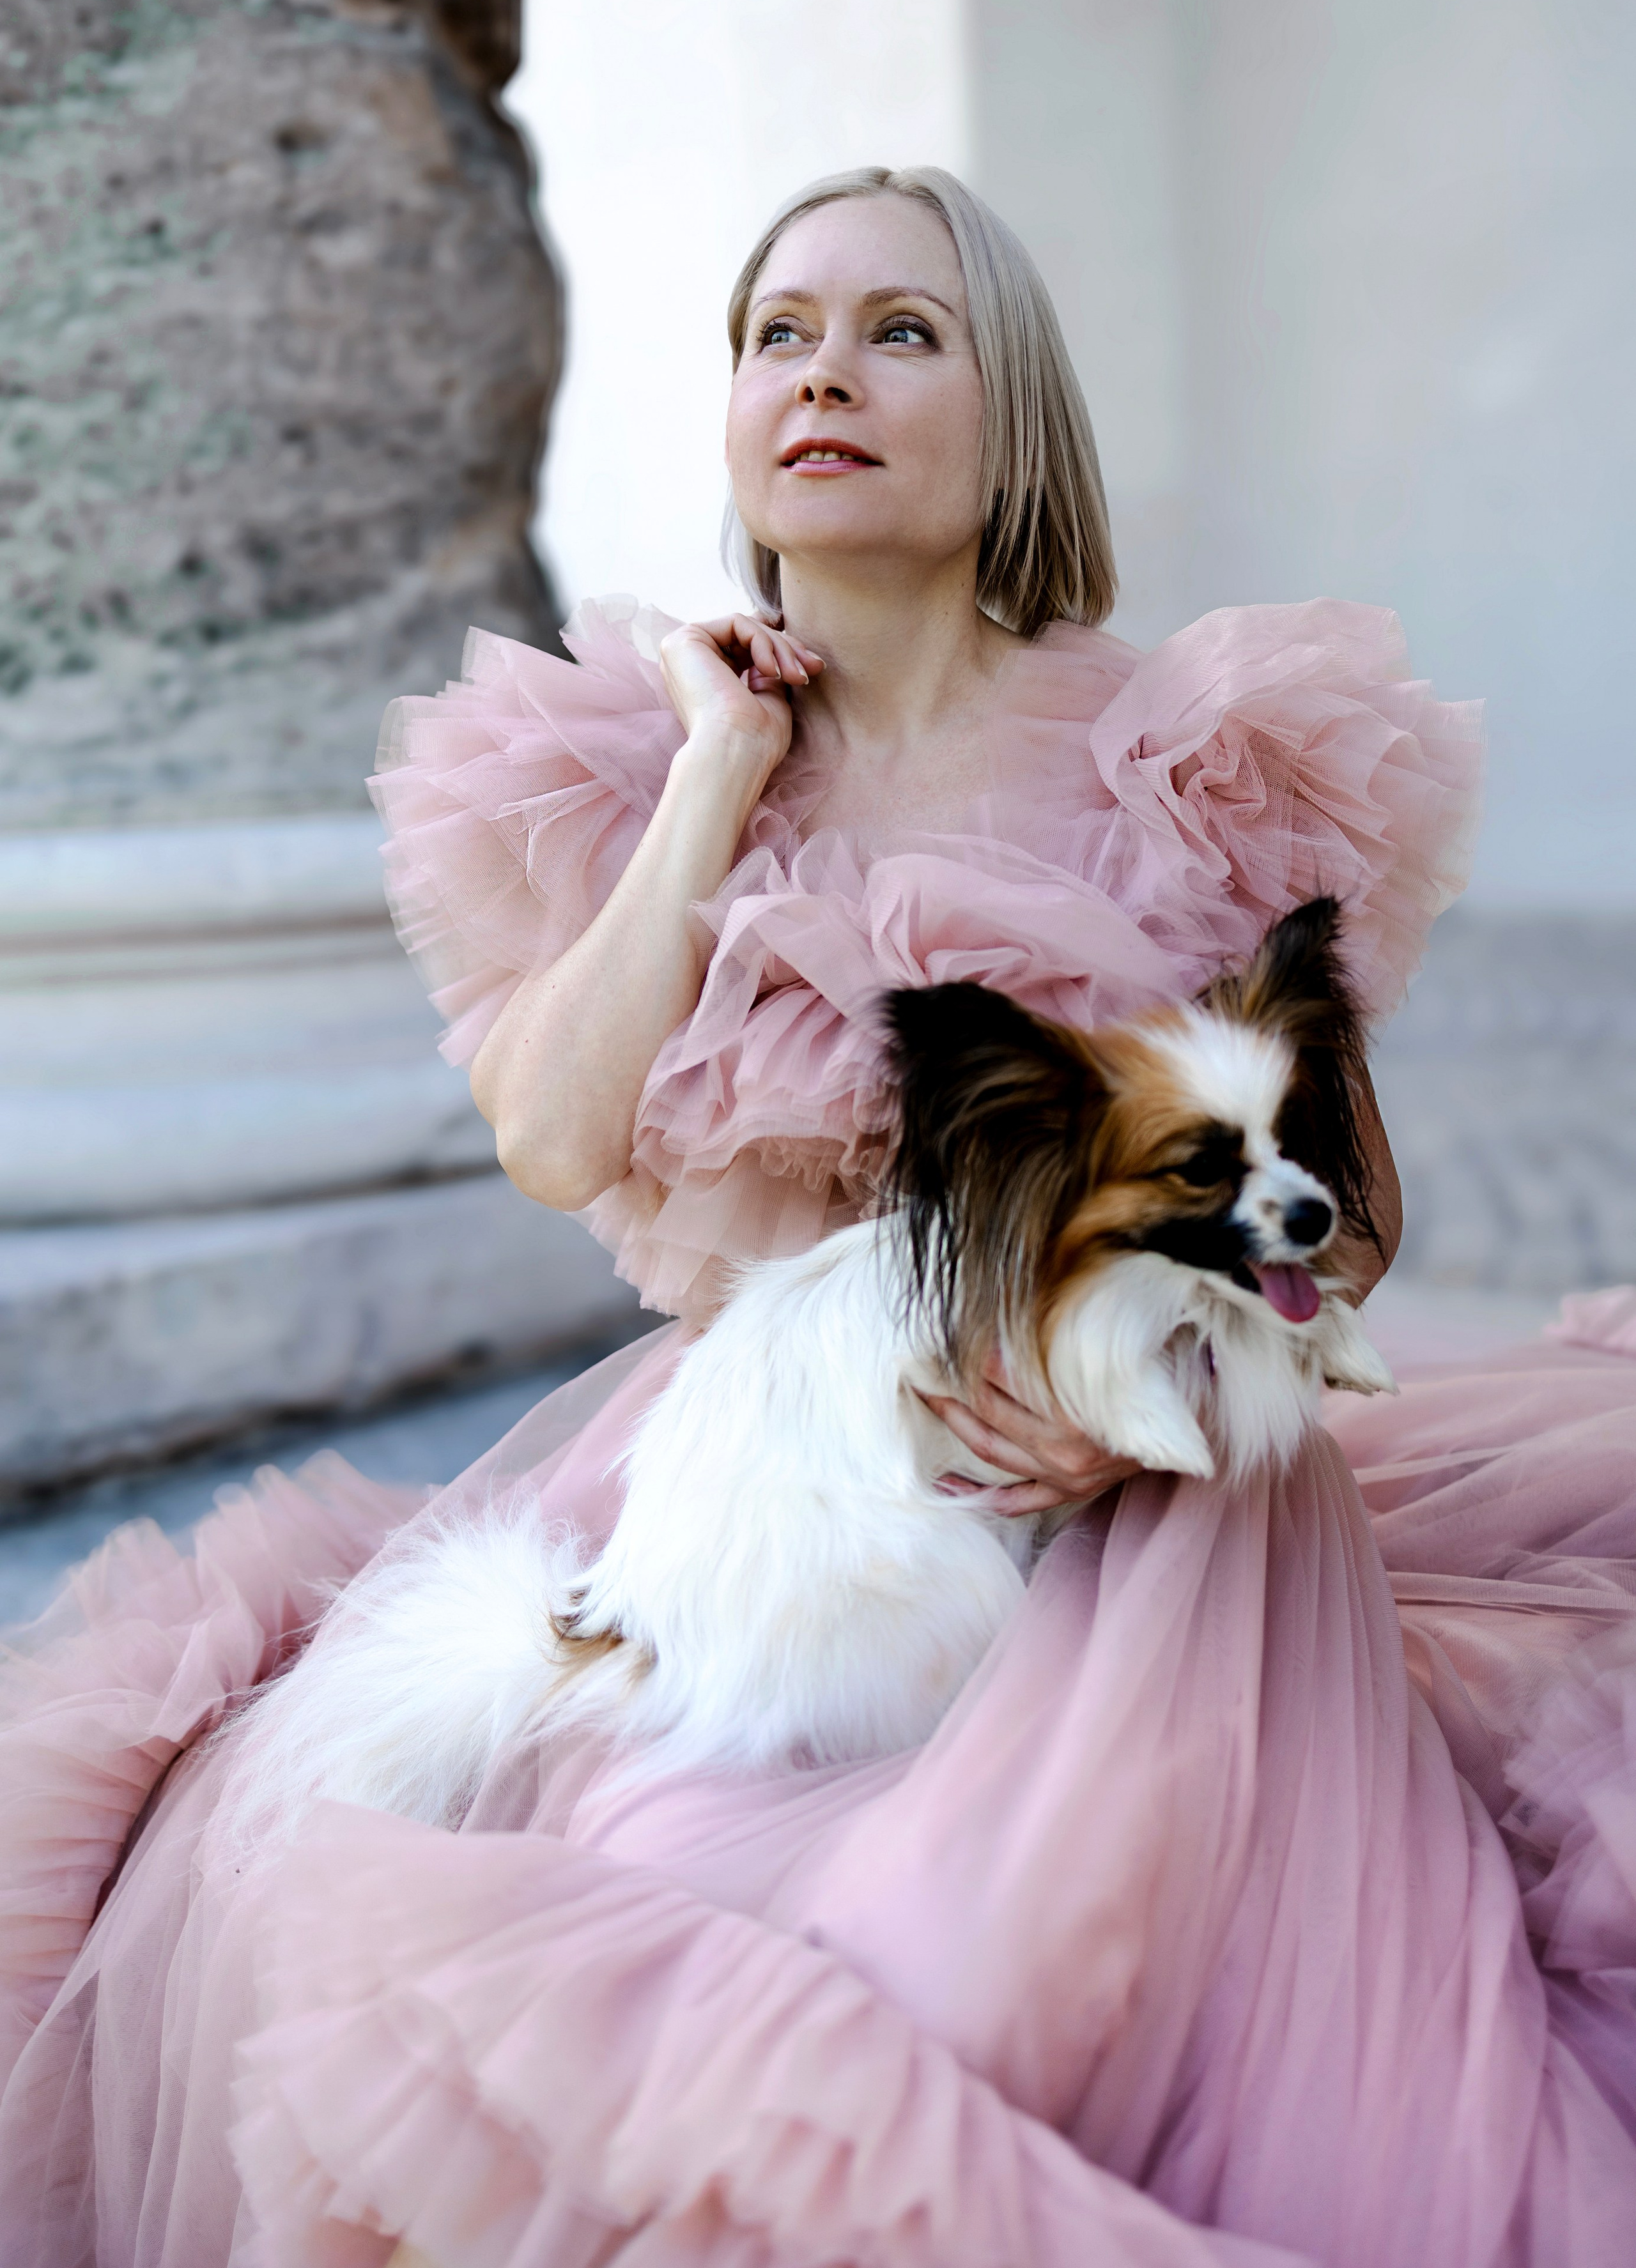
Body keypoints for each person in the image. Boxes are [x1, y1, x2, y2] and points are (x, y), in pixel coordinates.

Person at [1, 165, 1633, 2268]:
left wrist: (1122, 1388)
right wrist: (713, 771)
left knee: (990, 1964)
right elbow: (556, 1138)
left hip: (1141, 1525)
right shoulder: (618, 764)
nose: (825, 376)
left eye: (900, 331)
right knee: (591, 1888)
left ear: (1009, 418)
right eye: (780, 333)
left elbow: (1351, 1221)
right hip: (768, 1493)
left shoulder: (1191, 763)